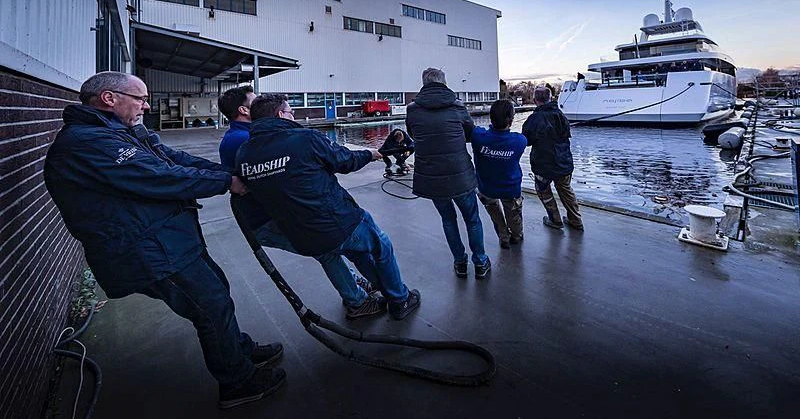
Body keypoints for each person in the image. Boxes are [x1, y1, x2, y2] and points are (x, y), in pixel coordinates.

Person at [43, 72, 285, 409]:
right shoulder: (88, 143)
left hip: (168, 238)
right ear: (109, 99)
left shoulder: (121, 131)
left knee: (216, 291)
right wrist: (226, 184)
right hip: (145, 247)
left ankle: (238, 349)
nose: (146, 105)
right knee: (209, 304)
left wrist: (227, 175)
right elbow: (159, 176)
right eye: (140, 98)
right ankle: (238, 382)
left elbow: (174, 160)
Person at [235, 94, 421, 320]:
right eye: (291, 111)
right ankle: (400, 300)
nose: (294, 116)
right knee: (381, 247)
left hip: (302, 234)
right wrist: (369, 153)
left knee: (352, 255)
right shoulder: (305, 139)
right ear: (280, 114)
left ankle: (374, 294)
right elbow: (344, 160)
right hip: (339, 220)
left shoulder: (244, 154)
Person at [405, 68, 491, 279]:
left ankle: (460, 263)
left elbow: (412, 133)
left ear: (424, 83)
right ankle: (480, 263)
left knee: (448, 220)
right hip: (460, 174)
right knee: (472, 219)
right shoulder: (457, 106)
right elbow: (470, 133)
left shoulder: (413, 110)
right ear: (444, 83)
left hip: (432, 176)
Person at [521, 86, 584, 231]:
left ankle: (555, 219)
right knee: (566, 190)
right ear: (550, 98)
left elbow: (526, 141)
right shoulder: (560, 115)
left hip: (543, 166)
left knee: (543, 190)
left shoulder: (533, 119)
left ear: (535, 100)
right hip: (564, 163)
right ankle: (576, 220)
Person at [471, 100, 527, 249]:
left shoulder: (478, 136)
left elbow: (470, 126)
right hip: (510, 189)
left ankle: (503, 237)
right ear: (511, 119)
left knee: (495, 215)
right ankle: (516, 236)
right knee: (514, 217)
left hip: (486, 188)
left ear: (491, 117)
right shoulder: (519, 141)